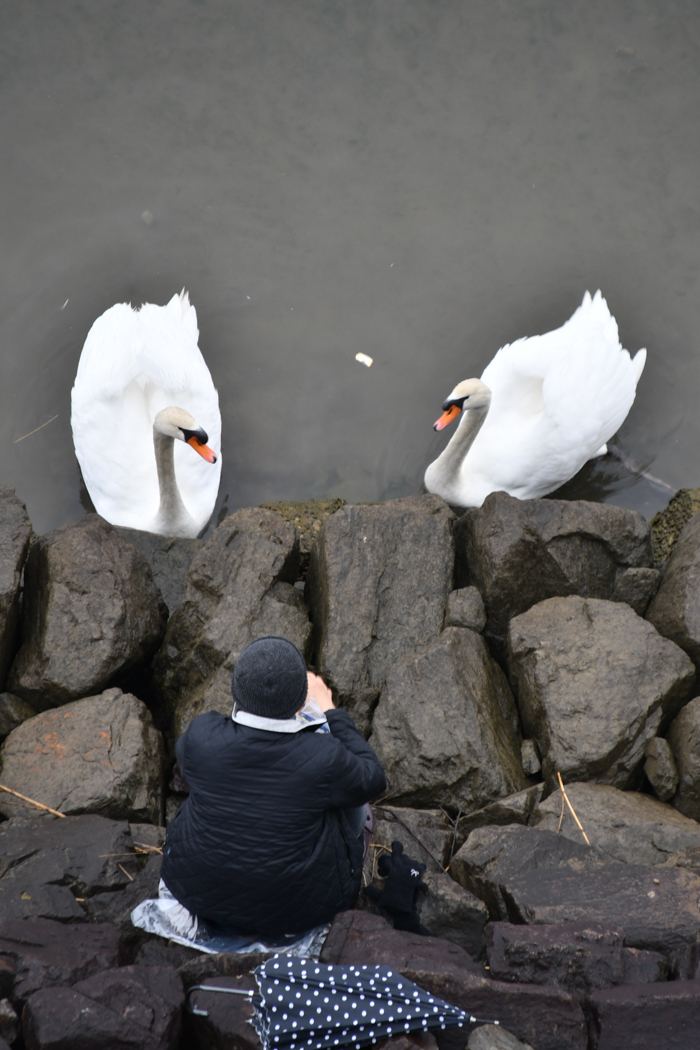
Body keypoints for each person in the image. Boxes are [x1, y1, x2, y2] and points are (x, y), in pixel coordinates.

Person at [161, 634, 387, 937]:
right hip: (297, 911)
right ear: (300, 699)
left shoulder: (202, 734)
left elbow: (189, 765)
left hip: (196, 893)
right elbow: (373, 778)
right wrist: (330, 710)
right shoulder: (325, 756)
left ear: (237, 690)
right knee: (354, 804)